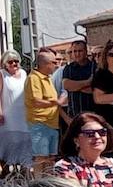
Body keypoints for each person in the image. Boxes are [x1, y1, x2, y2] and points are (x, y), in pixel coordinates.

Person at [53, 112, 113, 187]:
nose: (97, 137)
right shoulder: (65, 166)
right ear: (76, 140)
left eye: (102, 132)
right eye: (90, 134)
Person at [26, 47, 65, 176]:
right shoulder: (34, 78)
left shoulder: (47, 78)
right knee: (40, 158)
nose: (57, 64)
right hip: (40, 123)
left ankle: (48, 185)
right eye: (54, 62)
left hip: (51, 123)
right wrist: (56, 102)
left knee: (51, 158)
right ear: (45, 64)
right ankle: (38, 185)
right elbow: (37, 100)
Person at [0, 50, 32, 168]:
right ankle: (7, 172)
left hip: (23, 114)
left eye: (16, 61)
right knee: (9, 143)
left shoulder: (23, 73)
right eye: (10, 62)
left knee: (24, 142)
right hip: (8, 116)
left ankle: (23, 173)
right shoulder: (2, 74)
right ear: (5, 63)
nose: (14, 64)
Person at [56, 38, 95, 119]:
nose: (77, 54)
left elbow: (95, 90)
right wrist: (88, 82)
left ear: (86, 52)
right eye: (74, 51)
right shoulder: (68, 68)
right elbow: (67, 85)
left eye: (80, 51)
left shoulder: (94, 67)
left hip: (93, 114)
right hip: (74, 115)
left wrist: (75, 86)